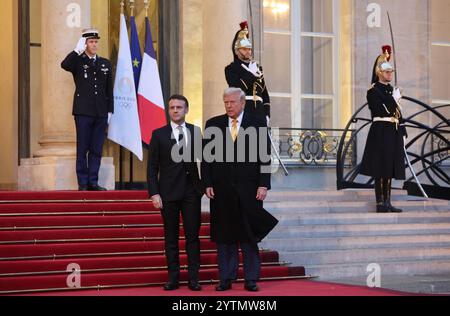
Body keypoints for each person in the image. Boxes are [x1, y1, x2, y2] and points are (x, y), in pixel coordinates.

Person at [202, 88, 278, 292]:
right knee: (224, 237)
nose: (228, 106)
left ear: (243, 103)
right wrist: (207, 183)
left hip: (250, 190)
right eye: (225, 102)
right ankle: (226, 278)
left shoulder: (258, 123)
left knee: (248, 236)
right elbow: (207, 159)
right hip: (221, 190)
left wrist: (264, 184)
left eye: (232, 102)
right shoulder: (213, 124)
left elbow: (265, 157)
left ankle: (251, 279)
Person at [147, 95, 204, 291]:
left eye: (179, 107)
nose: (175, 110)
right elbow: (152, 167)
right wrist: (154, 193)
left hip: (191, 194)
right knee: (170, 238)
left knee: (192, 238)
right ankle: (173, 278)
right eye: (172, 107)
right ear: (168, 110)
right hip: (168, 194)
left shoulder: (195, 132)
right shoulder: (159, 134)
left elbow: (206, 162)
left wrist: (202, 188)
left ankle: (194, 278)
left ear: (186, 110)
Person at [61, 28, 113, 191]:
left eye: (96, 42)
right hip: (83, 112)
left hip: (100, 112)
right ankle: (83, 183)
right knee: (83, 148)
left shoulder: (105, 63)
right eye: (91, 42)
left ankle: (93, 182)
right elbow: (64, 65)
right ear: (85, 43)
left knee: (96, 149)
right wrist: (77, 50)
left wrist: (110, 111)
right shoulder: (77, 61)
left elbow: (109, 89)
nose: (94, 44)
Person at [360, 46, 407, 213]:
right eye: (387, 72)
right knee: (380, 168)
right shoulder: (373, 91)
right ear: (379, 72)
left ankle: (387, 202)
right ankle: (380, 203)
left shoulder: (390, 90)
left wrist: (402, 130)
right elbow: (382, 110)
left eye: (391, 72)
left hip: (392, 131)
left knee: (389, 168)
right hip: (380, 131)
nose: (390, 74)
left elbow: (397, 113)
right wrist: (394, 99)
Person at [225, 22, 271, 124]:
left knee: (262, 140)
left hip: (260, 114)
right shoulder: (231, 68)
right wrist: (250, 74)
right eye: (244, 49)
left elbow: (265, 94)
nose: (248, 52)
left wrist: (267, 114)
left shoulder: (257, 69)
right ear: (237, 51)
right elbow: (237, 89)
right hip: (243, 112)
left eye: (249, 49)